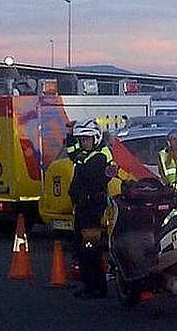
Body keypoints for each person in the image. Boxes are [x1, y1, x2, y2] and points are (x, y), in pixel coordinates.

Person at [66, 119, 113, 298]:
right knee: (81, 248)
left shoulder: (100, 156)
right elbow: (73, 154)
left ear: (95, 138)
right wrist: (71, 135)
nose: (83, 142)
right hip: (83, 207)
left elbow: (88, 177)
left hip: (92, 208)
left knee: (90, 248)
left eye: (86, 139)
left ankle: (97, 287)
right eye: (82, 139)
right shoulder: (88, 153)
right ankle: (88, 284)